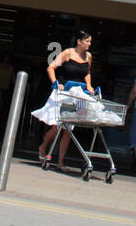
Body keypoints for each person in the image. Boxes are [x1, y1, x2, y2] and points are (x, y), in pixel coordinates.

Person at [33, 30, 95, 172]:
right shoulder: (68, 53)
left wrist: (89, 86)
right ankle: (43, 146)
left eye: (90, 41)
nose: (89, 44)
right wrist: (55, 83)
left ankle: (60, 162)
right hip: (64, 92)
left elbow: (87, 73)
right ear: (79, 41)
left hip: (78, 94)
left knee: (69, 129)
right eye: (87, 41)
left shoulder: (88, 56)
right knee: (57, 126)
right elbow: (51, 67)